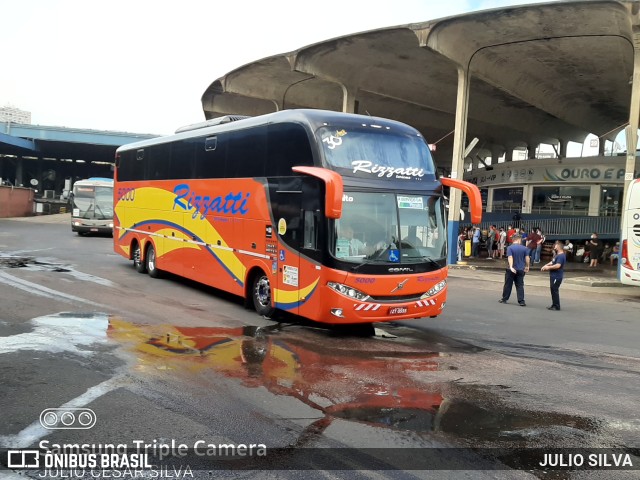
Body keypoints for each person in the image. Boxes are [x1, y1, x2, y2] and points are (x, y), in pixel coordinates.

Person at [498, 234, 530, 307]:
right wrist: (527, 266)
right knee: (520, 285)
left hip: (511, 270)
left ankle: (504, 299)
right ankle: (521, 301)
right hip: (521, 269)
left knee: (508, 284)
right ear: (518, 240)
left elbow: (510, 257)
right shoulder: (525, 248)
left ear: (514, 240)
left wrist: (511, 267)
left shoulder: (510, 248)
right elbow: (527, 258)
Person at [541, 241, 566, 311]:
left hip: (557, 276)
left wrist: (548, 268)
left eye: (556, 245)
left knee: (554, 290)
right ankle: (554, 304)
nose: (554, 246)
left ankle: (556, 306)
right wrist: (546, 265)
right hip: (553, 275)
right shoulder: (557, 255)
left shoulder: (561, 256)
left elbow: (558, 265)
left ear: (558, 247)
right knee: (553, 290)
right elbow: (553, 262)